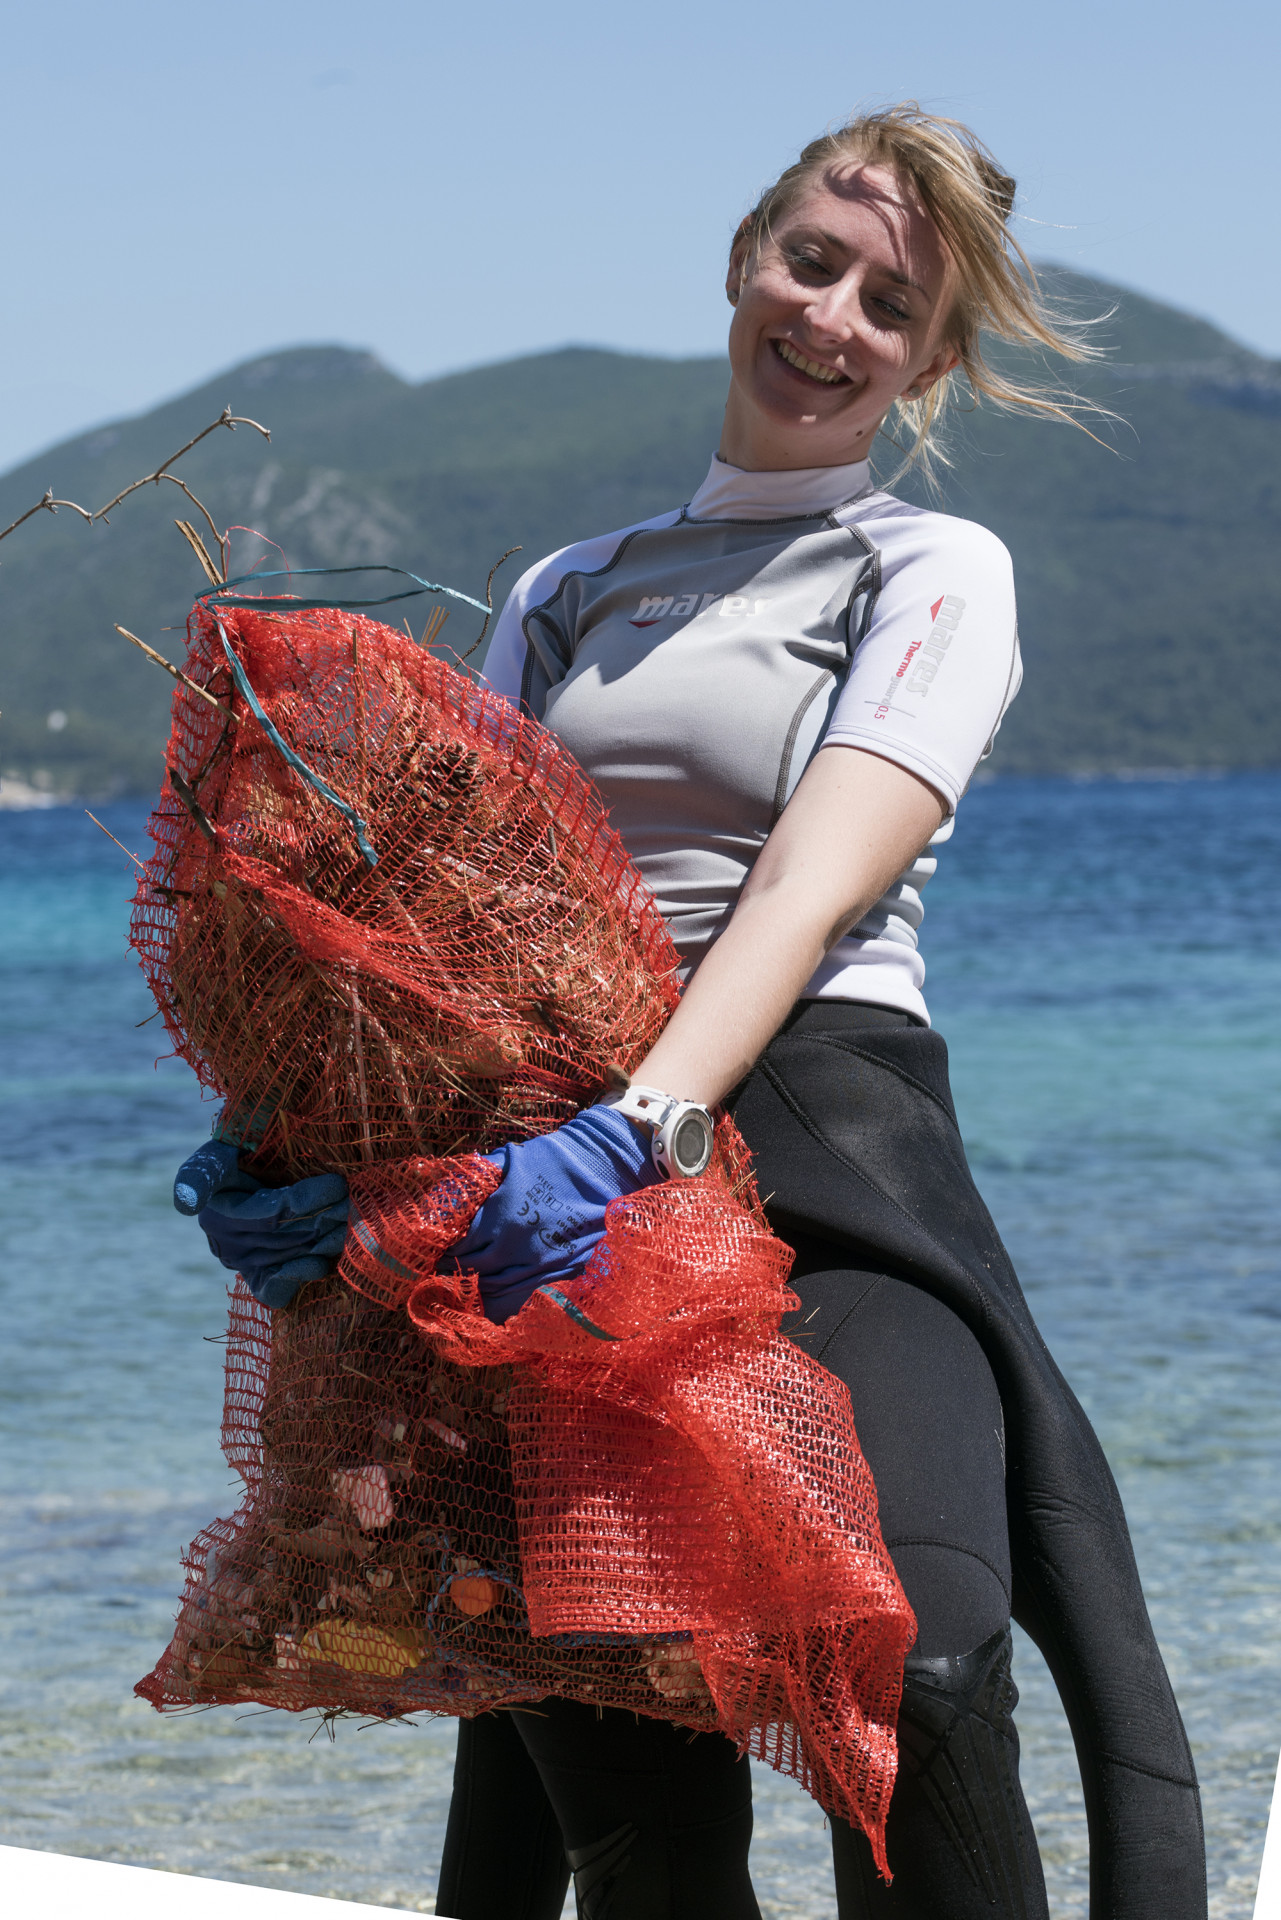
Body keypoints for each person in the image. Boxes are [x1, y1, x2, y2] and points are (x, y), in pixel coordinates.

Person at [178, 106, 1207, 1920]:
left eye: (889, 303)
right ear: (744, 257)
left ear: (928, 362)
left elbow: (809, 882)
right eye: (811, 262)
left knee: (919, 1664)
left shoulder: (927, 566)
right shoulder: (567, 587)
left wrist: (640, 1124)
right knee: (628, 1784)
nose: (831, 318)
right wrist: (288, 1140)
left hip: (824, 1152)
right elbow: (439, 918)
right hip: (557, 1193)